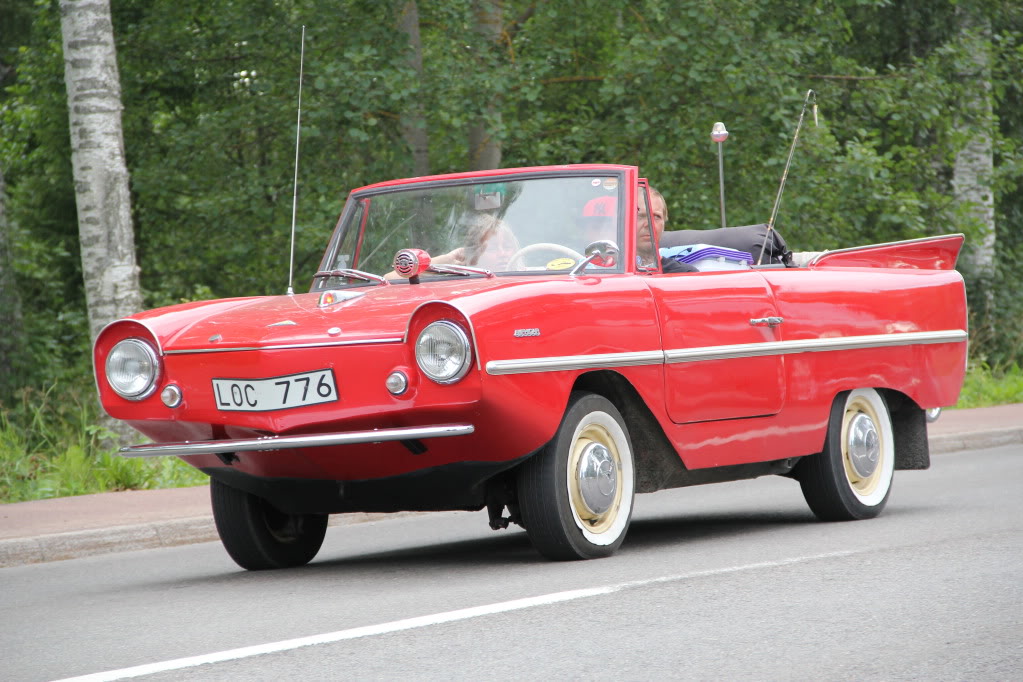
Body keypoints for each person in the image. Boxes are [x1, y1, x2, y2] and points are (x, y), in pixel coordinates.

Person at [384, 213, 519, 279]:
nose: (502, 253)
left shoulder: (528, 276)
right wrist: (445, 259)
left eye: (507, 247)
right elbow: (389, 279)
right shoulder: (460, 280)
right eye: (493, 248)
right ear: (476, 254)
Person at [640, 187, 697, 273]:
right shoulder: (613, 271)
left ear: (663, 225)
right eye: (640, 216)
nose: (649, 224)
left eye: (656, 217)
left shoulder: (685, 274)